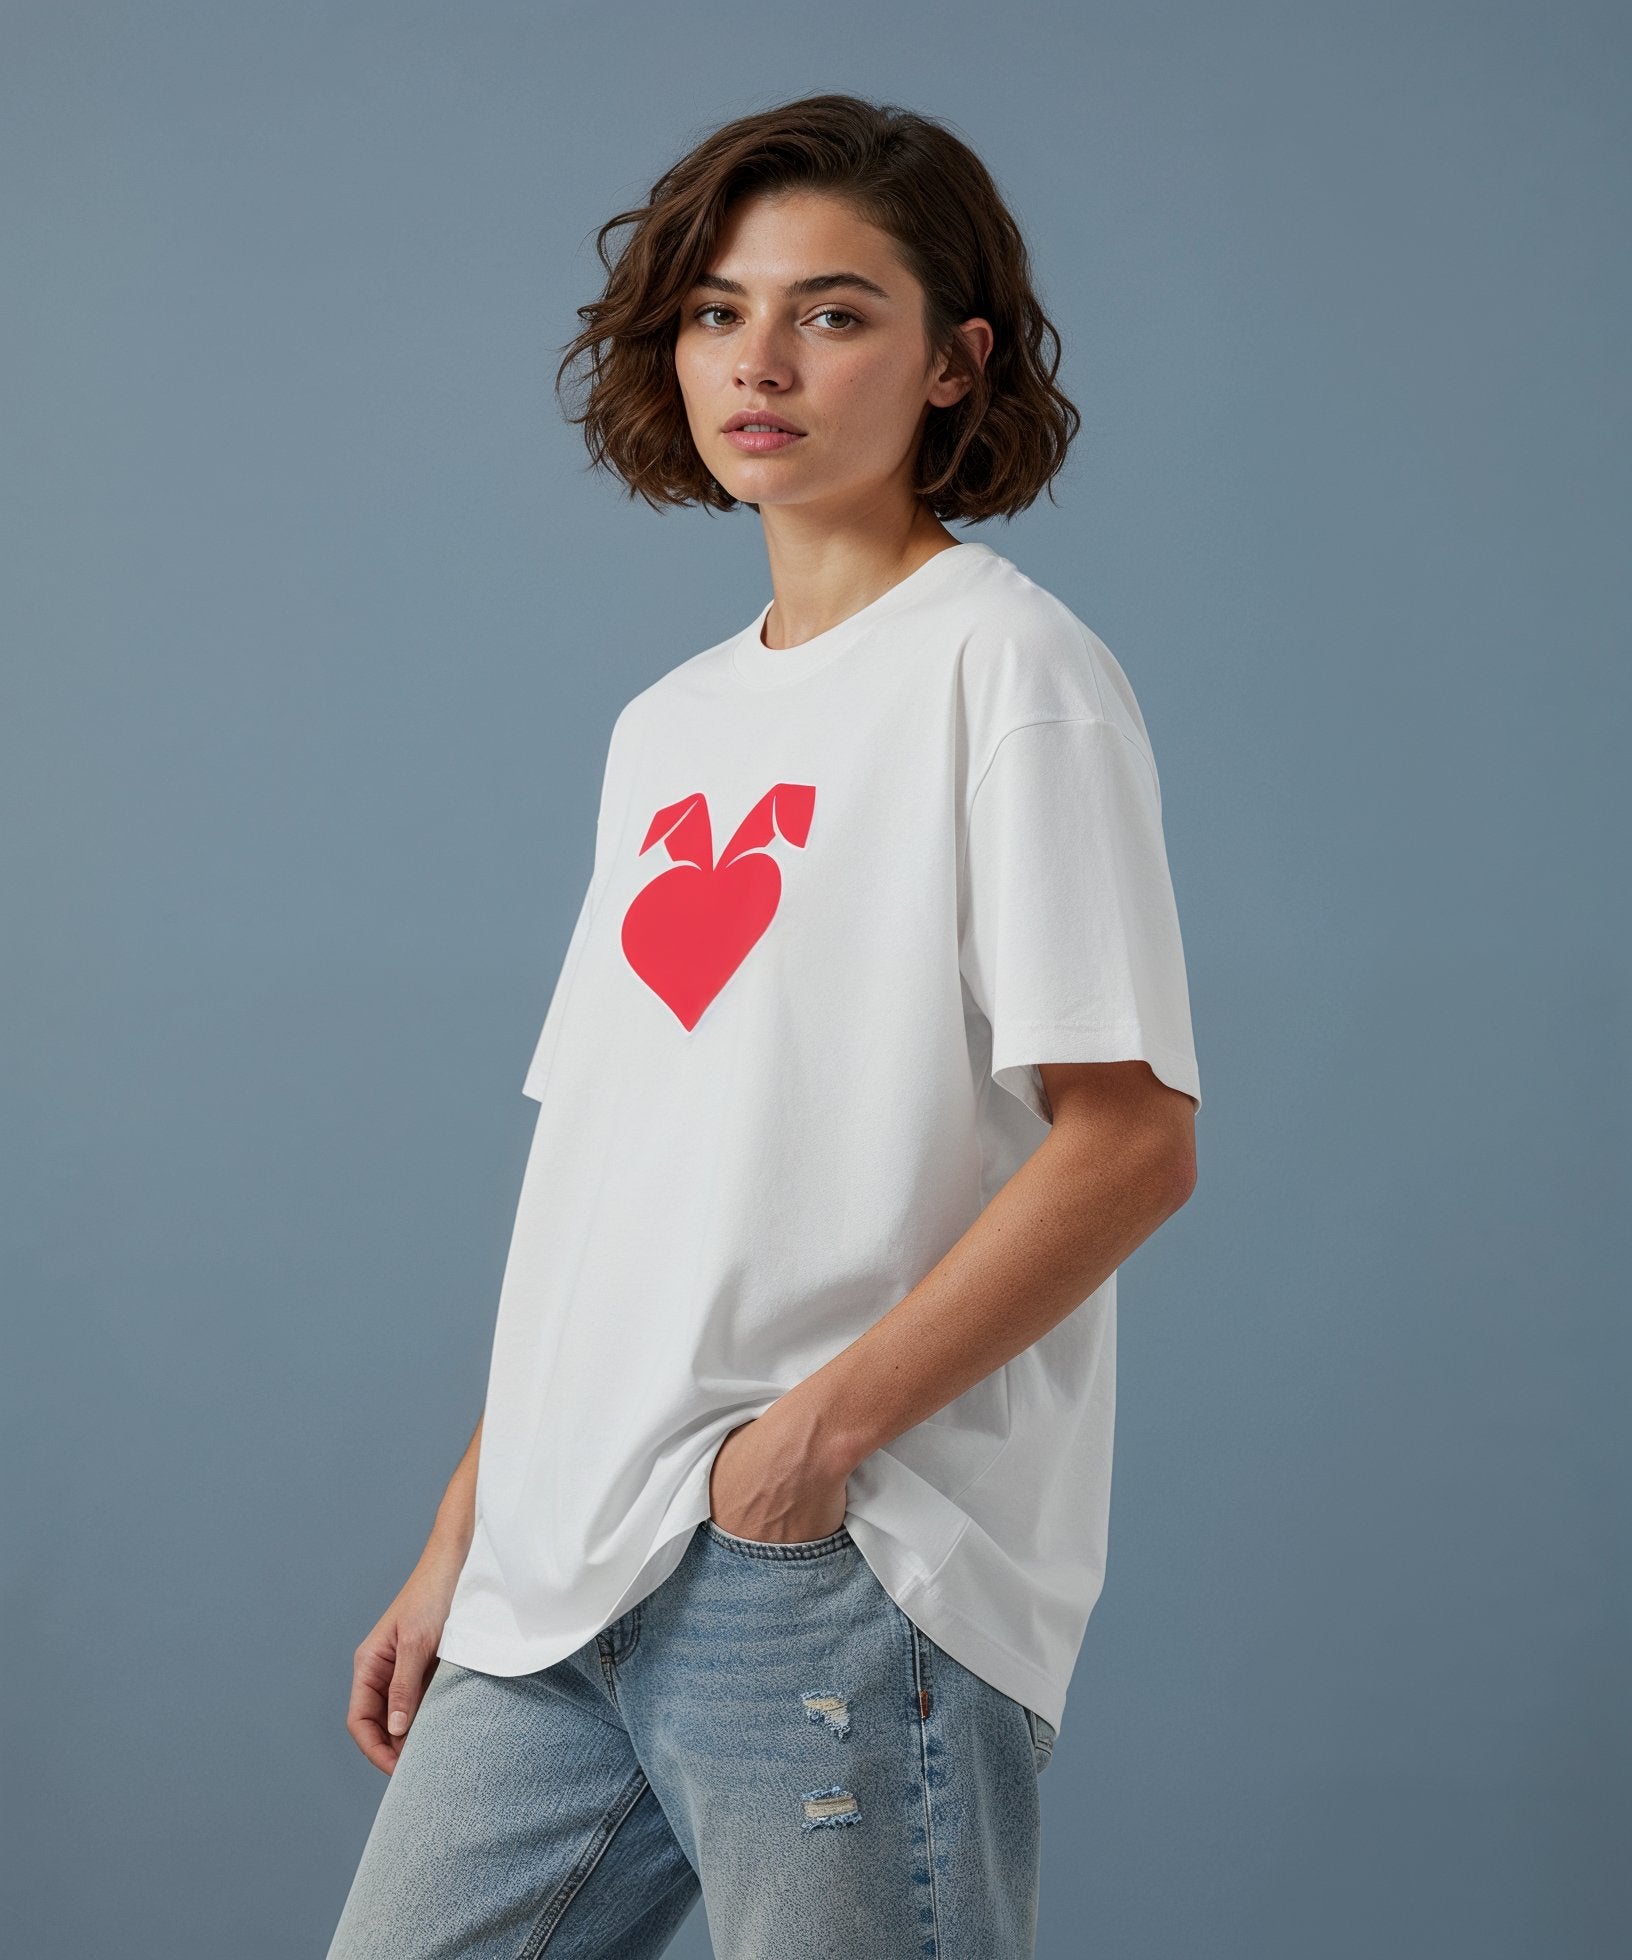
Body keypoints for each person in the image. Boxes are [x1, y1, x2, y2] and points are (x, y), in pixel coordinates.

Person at [326, 92, 1202, 1960]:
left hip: (825, 1573)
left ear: (957, 362)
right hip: (559, 1580)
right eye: (718, 311)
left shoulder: (1009, 671)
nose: (762, 362)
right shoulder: (670, 727)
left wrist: (811, 1453)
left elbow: (1131, 1141)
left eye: (836, 310)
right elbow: (614, 1179)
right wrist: (463, 1537)